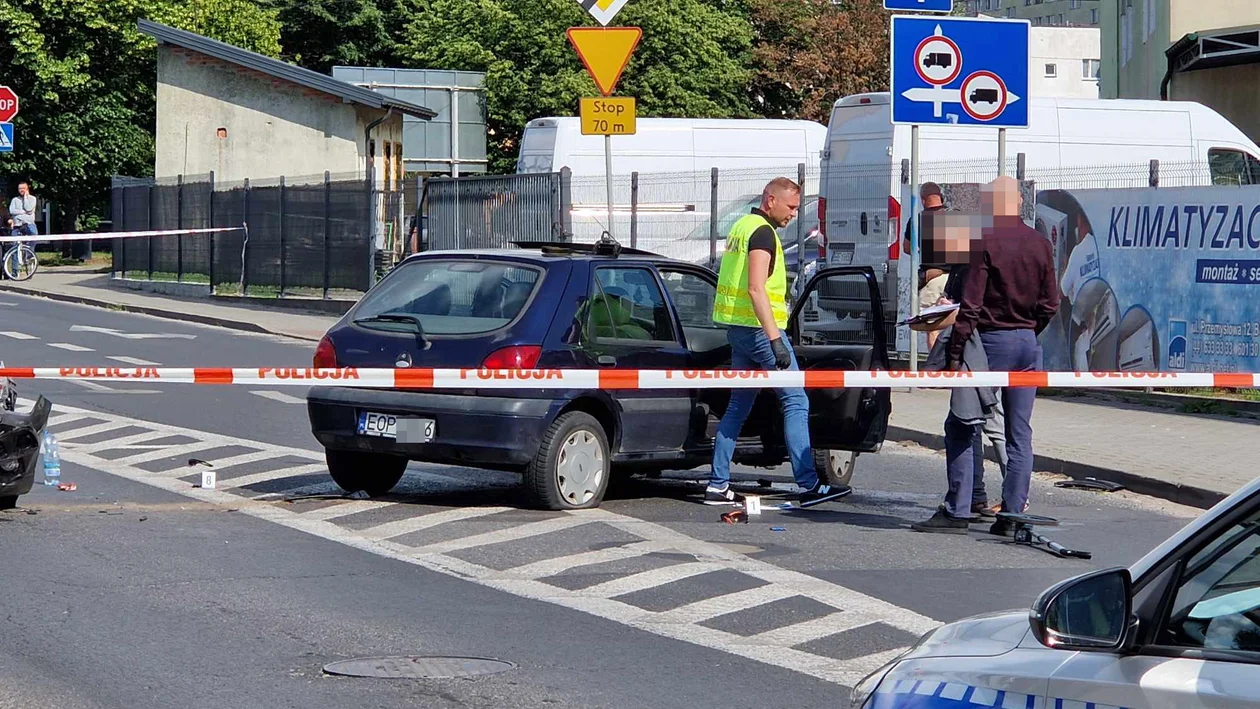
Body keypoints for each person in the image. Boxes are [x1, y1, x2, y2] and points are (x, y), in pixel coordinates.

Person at [919, 177, 1058, 536]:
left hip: (989, 343)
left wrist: (954, 351)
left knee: (962, 423)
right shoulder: (1041, 244)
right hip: (1027, 344)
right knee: (1019, 432)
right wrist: (1028, 331)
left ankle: (958, 509)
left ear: (996, 203)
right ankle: (1012, 515)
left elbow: (972, 304)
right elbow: (1051, 303)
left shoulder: (984, 242)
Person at [706, 177, 848, 507]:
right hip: (760, 330)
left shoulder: (742, 225)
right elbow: (757, 288)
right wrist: (775, 341)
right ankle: (809, 484)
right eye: (791, 207)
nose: (794, 215)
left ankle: (717, 483)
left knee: (738, 406)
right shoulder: (762, 233)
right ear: (771, 200)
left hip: (738, 328)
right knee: (796, 401)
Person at [904, 182, 950, 349]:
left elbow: (907, 248)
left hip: (931, 279)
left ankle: (935, 366)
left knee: (933, 328)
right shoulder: (954, 218)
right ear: (941, 197)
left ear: (923, 200)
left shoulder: (917, 220)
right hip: (955, 279)